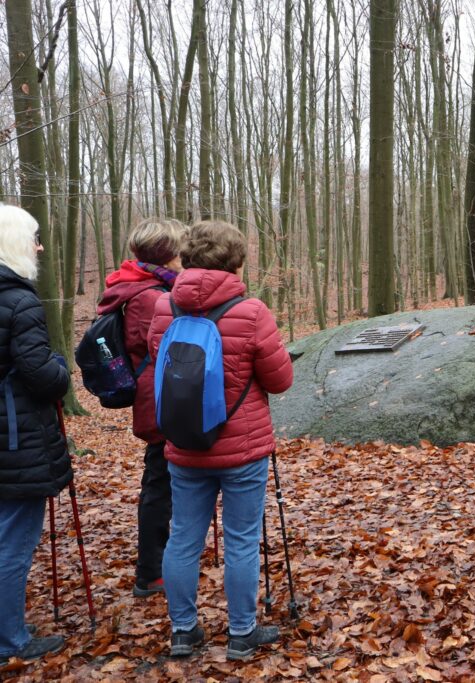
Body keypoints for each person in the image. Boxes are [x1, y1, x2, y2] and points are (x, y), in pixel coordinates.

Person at [147, 220, 293, 659]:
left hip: (184, 443)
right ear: (235, 259)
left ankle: (184, 631)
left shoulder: (163, 308)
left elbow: (160, 364)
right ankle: (242, 634)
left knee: (183, 537)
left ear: (186, 256)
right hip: (242, 447)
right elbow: (280, 379)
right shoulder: (251, 312)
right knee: (242, 538)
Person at [96, 218, 186, 598]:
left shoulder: (137, 286)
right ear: (169, 254)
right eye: (181, 250)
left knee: (162, 482)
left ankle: (160, 566)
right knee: (162, 485)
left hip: (156, 397)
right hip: (162, 400)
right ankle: (152, 572)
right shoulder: (152, 297)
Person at [0, 205, 71, 661]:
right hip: (14, 438)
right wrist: (61, 369)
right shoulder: (19, 300)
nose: (40, 246)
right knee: (12, 541)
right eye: (34, 237)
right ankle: (10, 640)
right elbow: (39, 373)